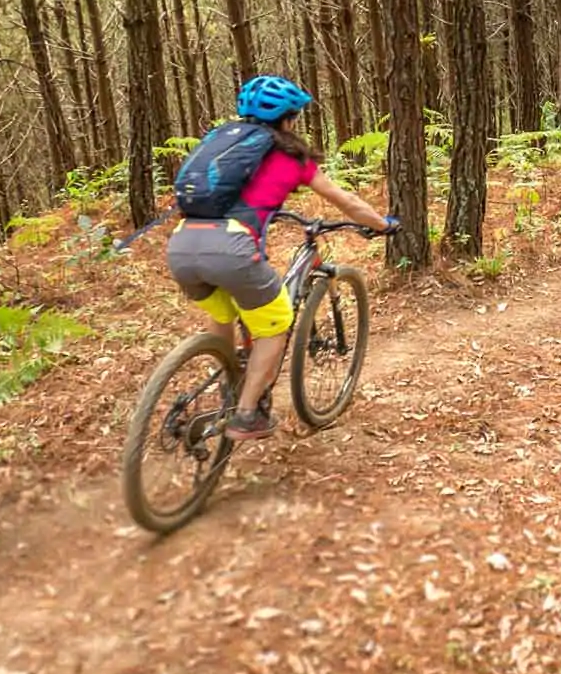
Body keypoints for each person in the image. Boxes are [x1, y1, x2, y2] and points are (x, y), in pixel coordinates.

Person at [164, 75, 396, 440]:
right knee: (276, 324)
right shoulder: (290, 158)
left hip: (182, 245)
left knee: (222, 310)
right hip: (231, 248)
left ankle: (229, 379)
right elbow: (346, 202)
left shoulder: (221, 144)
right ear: (289, 119)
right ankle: (245, 414)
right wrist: (382, 224)